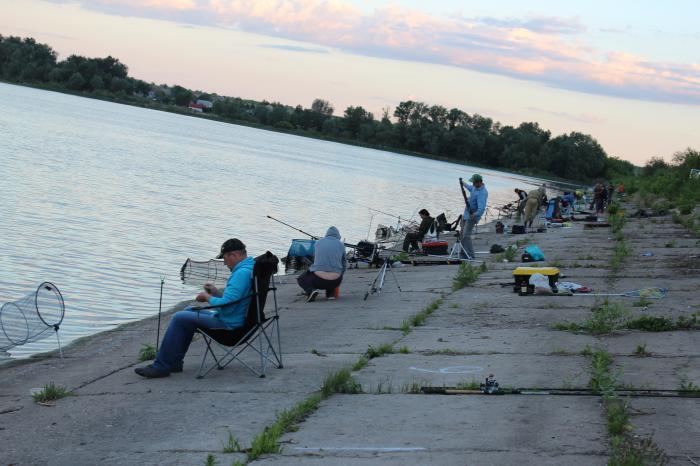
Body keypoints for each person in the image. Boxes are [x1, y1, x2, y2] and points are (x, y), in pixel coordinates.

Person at [135, 238, 254, 378]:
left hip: (230, 326)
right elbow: (236, 299)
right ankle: (174, 362)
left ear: (233, 255)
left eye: (225, 259)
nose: (225, 264)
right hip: (238, 320)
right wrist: (216, 292)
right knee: (188, 312)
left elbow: (227, 306)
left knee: (179, 317)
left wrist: (207, 297)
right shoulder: (249, 268)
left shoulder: (240, 273)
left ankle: (161, 366)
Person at [297, 226, 346, 302]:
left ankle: (311, 291)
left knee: (301, 278)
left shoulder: (318, 242)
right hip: (336, 281)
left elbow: (315, 260)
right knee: (334, 270)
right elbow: (344, 264)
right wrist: (340, 276)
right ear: (338, 236)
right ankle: (330, 294)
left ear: (326, 234)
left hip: (318, 280)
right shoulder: (341, 245)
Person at [459, 174, 488, 259]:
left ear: (479, 182)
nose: (473, 184)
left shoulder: (483, 193)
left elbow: (481, 208)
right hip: (466, 214)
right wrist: (462, 183)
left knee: (466, 235)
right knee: (461, 235)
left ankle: (470, 254)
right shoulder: (475, 188)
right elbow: (470, 188)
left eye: (474, 182)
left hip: (472, 216)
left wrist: (475, 214)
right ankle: (463, 253)